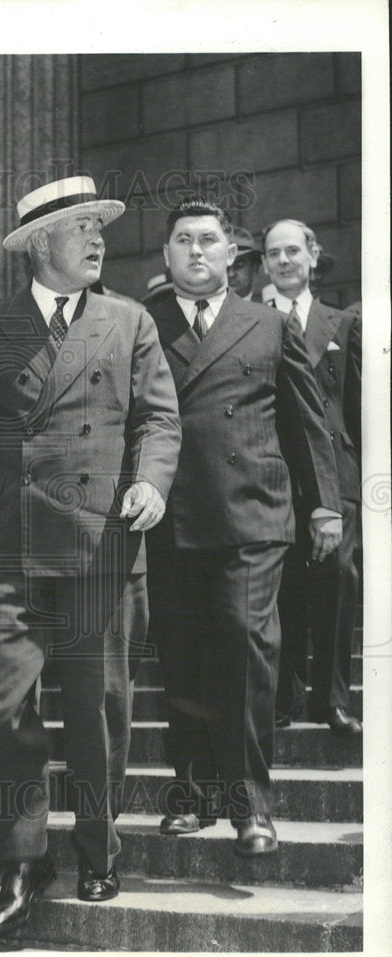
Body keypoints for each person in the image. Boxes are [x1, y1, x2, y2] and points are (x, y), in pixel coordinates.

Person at [0, 175, 181, 936]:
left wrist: (150, 482)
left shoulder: (129, 320)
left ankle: (98, 849)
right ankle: (21, 860)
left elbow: (158, 419)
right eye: (81, 227)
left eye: (100, 227)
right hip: (5, 546)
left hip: (100, 543)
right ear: (41, 243)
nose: (97, 238)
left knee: (99, 709)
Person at [145, 198, 341, 858]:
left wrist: (323, 503)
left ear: (231, 255)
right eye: (183, 240)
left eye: (208, 240)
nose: (196, 250)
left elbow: (305, 421)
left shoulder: (267, 323)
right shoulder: (141, 325)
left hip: (253, 512)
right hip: (171, 517)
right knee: (182, 657)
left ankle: (251, 804)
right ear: (166, 254)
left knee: (244, 644)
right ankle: (191, 792)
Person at [262, 219, 362, 735]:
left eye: (293, 251)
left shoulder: (341, 324)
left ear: (313, 256)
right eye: (274, 253)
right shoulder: (253, 323)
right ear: (264, 264)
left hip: (337, 474)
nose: (283, 261)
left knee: (338, 582)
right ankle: (284, 697)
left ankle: (333, 699)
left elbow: (357, 406)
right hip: (278, 473)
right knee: (283, 587)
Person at [226, 226, 263, 302]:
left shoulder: (267, 307)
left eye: (239, 266)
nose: (231, 274)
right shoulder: (206, 307)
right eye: (226, 266)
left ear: (255, 269)